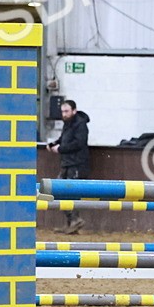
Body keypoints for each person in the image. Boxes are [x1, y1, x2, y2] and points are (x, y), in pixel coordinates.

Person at [48, 99, 91, 234]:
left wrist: (60, 149)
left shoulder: (80, 125)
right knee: (60, 191)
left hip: (76, 164)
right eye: (63, 112)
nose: (64, 114)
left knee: (68, 193)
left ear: (74, 111)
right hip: (68, 163)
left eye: (66, 111)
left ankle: (74, 220)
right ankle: (72, 222)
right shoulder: (69, 123)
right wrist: (54, 144)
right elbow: (63, 139)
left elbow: (78, 143)